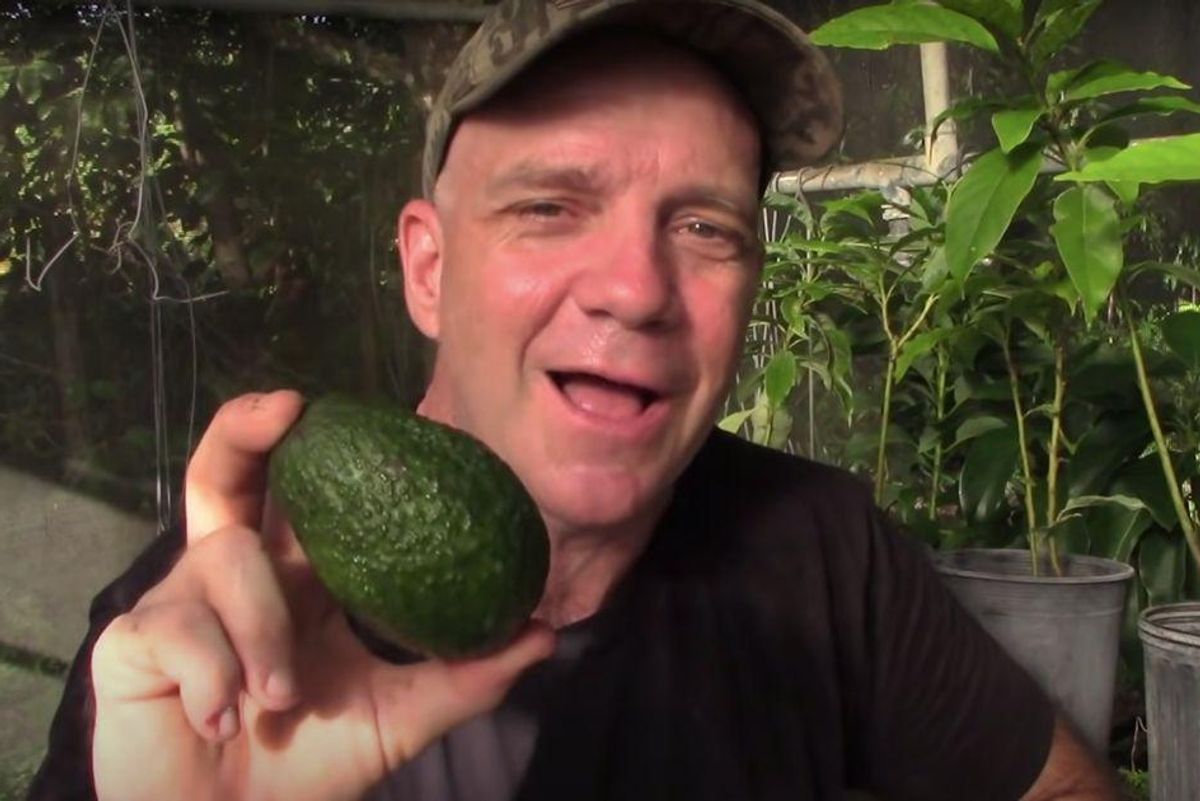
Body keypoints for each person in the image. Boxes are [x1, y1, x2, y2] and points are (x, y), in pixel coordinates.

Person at [31, 1, 1121, 799]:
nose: (638, 290)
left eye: (706, 228)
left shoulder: (822, 547)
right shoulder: (202, 636)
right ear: (427, 269)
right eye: (551, 206)